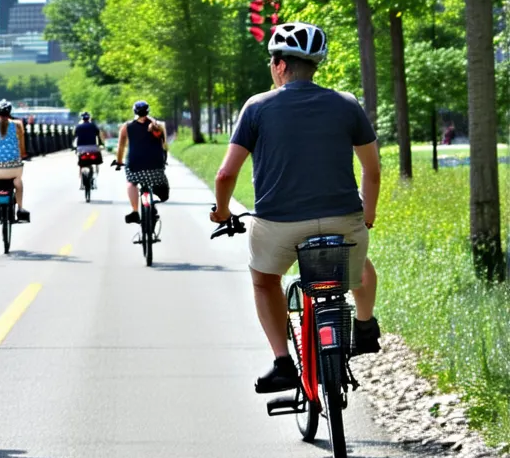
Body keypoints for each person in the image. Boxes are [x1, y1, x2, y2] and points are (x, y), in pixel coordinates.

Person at [210, 21, 382, 395]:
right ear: (314, 66)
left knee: (265, 280)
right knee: (361, 267)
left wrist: (222, 213)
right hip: (343, 219)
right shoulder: (347, 104)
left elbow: (225, 175)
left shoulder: (256, 107)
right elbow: (372, 170)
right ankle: (366, 327)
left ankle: (283, 363)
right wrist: (365, 218)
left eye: (272, 61)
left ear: (281, 65)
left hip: (278, 225)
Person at [115, 100, 169, 223]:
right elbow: (164, 145)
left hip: (135, 165)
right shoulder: (159, 126)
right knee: (160, 186)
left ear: (135, 112)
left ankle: (135, 211)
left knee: (131, 183)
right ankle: (153, 202)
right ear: (148, 111)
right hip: (156, 166)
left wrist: (118, 162)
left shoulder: (126, 127)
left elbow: (121, 147)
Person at [0, 100, 31, 222]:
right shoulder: (17, 124)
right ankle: (20, 208)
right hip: (14, 167)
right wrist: (23, 154)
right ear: (10, 112)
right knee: (18, 183)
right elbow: (22, 146)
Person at [73, 111, 104, 189]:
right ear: (89, 118)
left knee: (81, 163)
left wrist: (74, 148)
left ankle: (81, 183)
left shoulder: (78, 127)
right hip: (93, 147)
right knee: (96, 160)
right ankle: (95, 174)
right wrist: (100, 144)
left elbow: (75, 137)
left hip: (81, 148)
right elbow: (98, 136)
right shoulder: (93, 126)